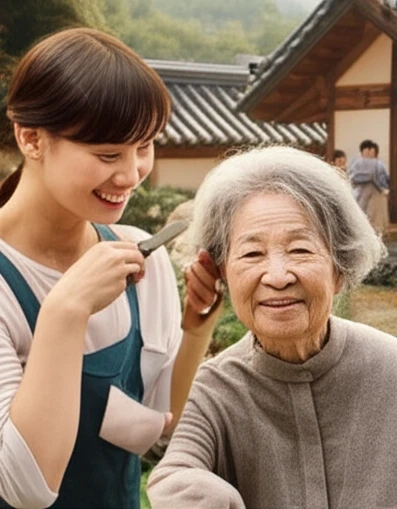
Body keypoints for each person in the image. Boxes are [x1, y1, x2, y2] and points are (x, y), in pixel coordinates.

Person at [146, 147, 397, 508]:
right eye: (251, 254)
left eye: (300, 250)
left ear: (340, 269)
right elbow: (173, 473)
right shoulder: (214, 391)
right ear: (221, 275)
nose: (277, 276)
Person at [0, 28, 219, 508]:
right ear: (31, 138)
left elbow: (163, 431)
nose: (131, 174)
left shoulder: (141, 254)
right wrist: (66, 309)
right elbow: (24, 488)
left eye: (144, 147)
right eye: (107, 155)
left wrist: (195, 330)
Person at [347, 140, 390, 235]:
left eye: (371, 152)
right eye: (366, 151)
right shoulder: (357, 163)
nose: (369, 154)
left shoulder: (378, 163)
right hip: (362, 194)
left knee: (373, 222)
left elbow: (384, 179)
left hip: (374, 195)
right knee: (366, 222)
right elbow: (351, 178)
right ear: (362, 152)